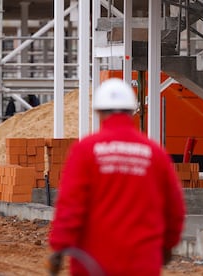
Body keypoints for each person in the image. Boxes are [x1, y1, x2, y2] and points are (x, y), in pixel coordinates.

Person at [48, 78, 186, 275]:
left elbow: (71, 204)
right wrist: (167, 245)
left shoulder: (86, 150)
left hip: (93, 263)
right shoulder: (155, 153)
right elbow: (174, 209)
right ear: (132, 111)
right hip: (142, 262)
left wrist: (60, 246)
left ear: (98, 111)